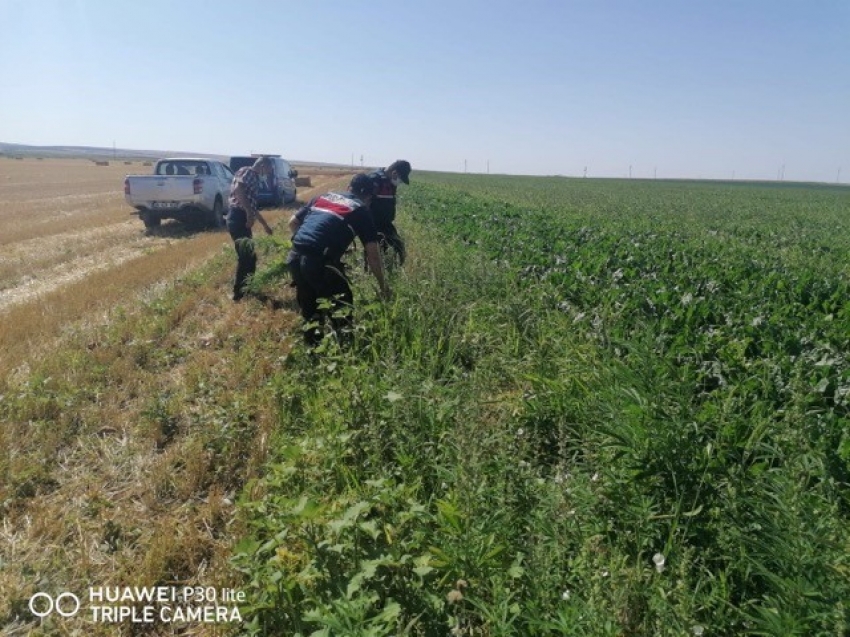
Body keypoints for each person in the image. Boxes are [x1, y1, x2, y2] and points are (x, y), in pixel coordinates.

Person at [287, 173, 391, 345]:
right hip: (318, 262)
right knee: (342, 306)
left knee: (310, 308)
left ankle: (313, 350)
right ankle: (345, 350)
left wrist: (313, 244)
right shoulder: (360, 210)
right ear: (368, 197)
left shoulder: (323, 196)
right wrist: (383, 285)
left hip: (294, 257)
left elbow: (292, 223)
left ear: (349, 188)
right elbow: (373, 255)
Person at [226, 156, 274, 301]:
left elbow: (252, 207)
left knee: (250, 257)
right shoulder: (248, 172)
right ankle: (238, 294)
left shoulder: (252, 176)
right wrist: (247, 213)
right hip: (238, 217)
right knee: (246, 256)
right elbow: (238, 190)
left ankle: (247, 289)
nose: (269, 172)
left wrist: (264, 224)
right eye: (269, 169)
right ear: (263, 166)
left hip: (240, 216)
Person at [367, 159, 412, 265]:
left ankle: (397, 267)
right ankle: (370, 270)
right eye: (400, 179)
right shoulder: (375, 179)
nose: (399, 182)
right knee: (377, 250)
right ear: (394, 173)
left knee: (399, 245)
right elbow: (365, 202)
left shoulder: (391, 183)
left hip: (386, 222)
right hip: (373, 223)